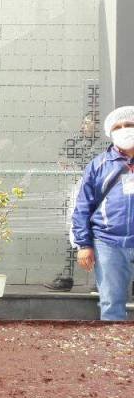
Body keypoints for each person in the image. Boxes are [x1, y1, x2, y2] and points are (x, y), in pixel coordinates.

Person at [71, 105, 134, 321]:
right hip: (108, 242)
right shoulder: (99, 165)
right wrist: (84, 244)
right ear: (110, 132)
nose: (124, 129)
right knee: (111, 303)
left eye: (129, 125)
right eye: (118, 126)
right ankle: (115, 351)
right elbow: (82, 207)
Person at [44, 113, 103, 291]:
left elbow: (89, 163)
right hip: (76, 192)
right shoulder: (75, 142)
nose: (84, 126)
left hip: (96, 196)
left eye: (89, 123)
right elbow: (62, 157)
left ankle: (99, 281)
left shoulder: (102, 145)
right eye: (83, 123)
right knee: (72, 233)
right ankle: (66, 277)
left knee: (98, 236)